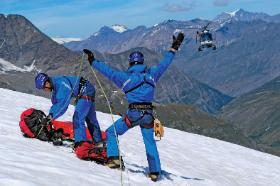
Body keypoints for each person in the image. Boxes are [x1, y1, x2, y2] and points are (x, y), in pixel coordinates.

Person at [83, 32, 184, 182]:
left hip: (133, 114)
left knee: (111, 132)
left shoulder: (124, 78)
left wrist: (93, 61)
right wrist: (174, 47)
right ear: (142, 62)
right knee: (149, 142)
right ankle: (155, 172)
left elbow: (108, 72)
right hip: (148, 115)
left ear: (130, 63)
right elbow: (165, 63)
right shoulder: (152, 75)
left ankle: (114, 159)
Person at [34, 73, 104, 158]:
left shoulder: (61, 85)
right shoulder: (56, 85)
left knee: (77, 118)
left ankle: (81, 145)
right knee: (90, 119)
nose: (44, 90)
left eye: (43, 88)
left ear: (47, 83)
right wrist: (50, 115)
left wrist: (51, 117)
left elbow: (63, 105)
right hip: (87, 88)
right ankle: (99, 143)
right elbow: (56, 103)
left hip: (85, 91)